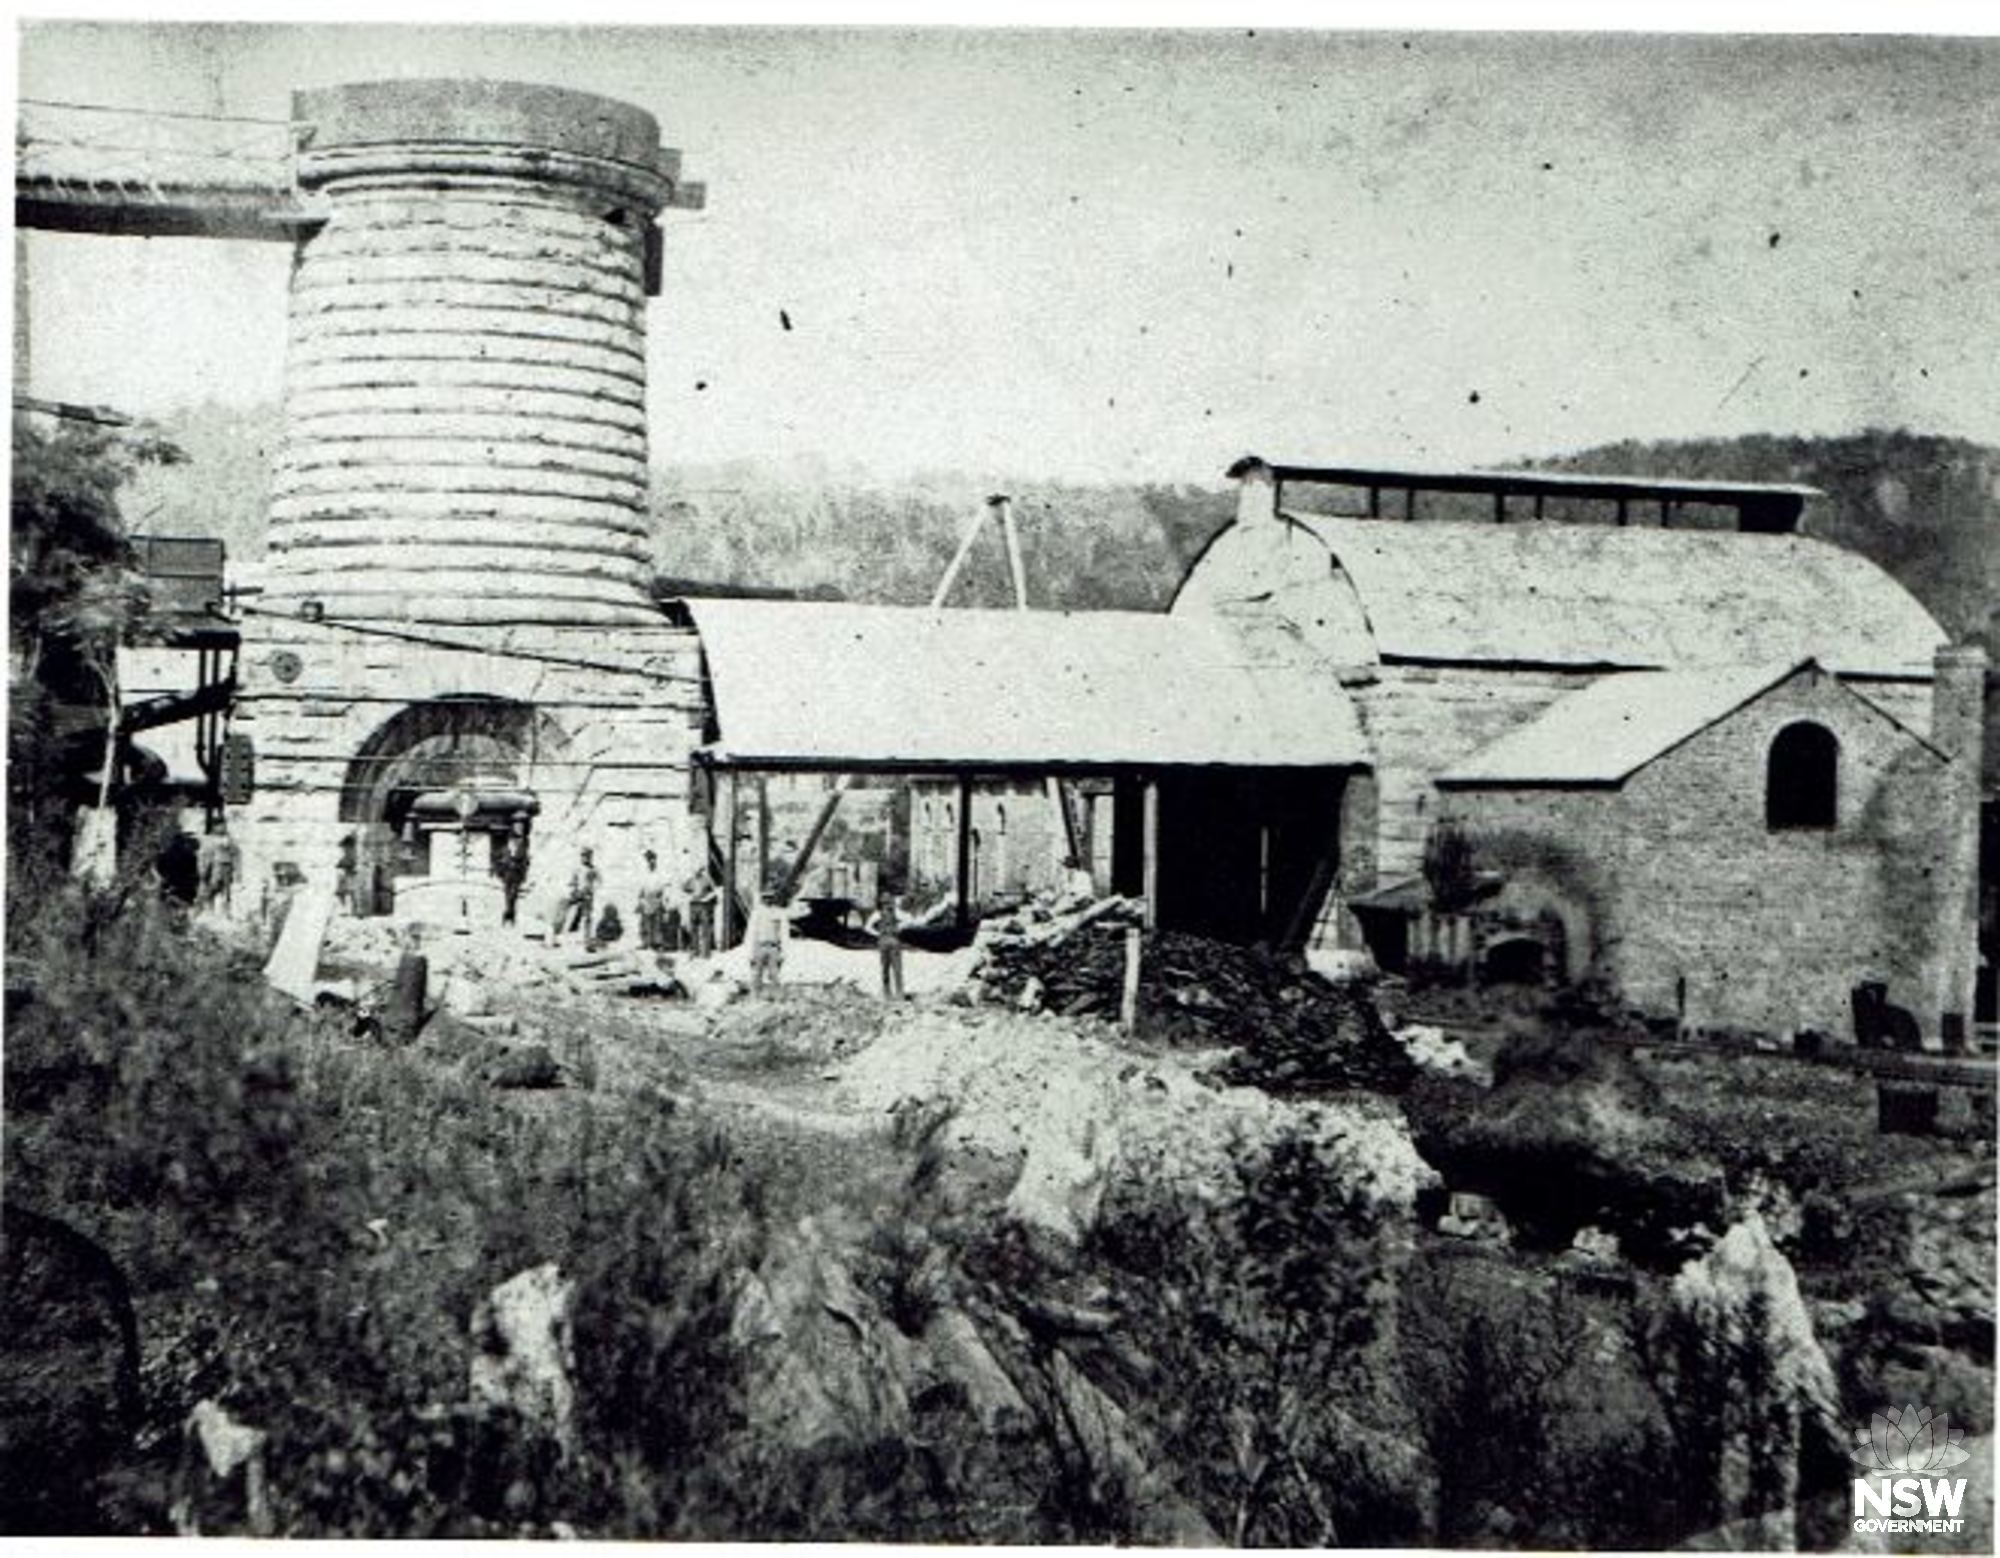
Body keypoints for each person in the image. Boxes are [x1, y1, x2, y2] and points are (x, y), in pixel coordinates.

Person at [556, 846, 598, 944]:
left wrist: (591, 889)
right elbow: (573, 880)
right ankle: (561, 933)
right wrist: (573, 889)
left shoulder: (593, 869)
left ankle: (587, 937)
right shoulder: (577, 868)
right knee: (569, 912)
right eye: (583, 856)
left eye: (587, 856)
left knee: (587, 916)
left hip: (588, 895)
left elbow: (598, 882)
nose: (585, 858)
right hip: (577, 894)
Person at [748, 890, 787, 993]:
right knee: (756, 974)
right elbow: (751, 933)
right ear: (762, 899)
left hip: (774, 947)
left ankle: (776, 997)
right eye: (765, 897)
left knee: (775, 975)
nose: (768, 900)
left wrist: (784, 952)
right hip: (759, 946)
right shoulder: (756, 913)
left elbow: (784, 933)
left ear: (774, 898)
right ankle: (756, 997)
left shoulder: (779, 913)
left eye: (770, 897)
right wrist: (750, 952)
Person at [495, 816, 531, 927]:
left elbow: (525, 860)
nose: (519, 829)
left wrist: (524, 873)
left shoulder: (525, 842)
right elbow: (503, 856)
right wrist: (501, 870)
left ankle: (509, 914)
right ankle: (509, 914)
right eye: (517, 827)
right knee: (508, 893)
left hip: (517, 872)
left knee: (513, 894)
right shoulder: (508, 842)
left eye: (521, 827)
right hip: (508, 872)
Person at [871, 890, 905, 1001]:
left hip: (893, 942)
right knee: (886, 969)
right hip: (885, 941)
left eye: (888, 901)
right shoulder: (877, 914)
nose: (886, 904)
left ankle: (898, 993)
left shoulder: (897, 912)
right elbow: (867, 927)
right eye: (885, 902)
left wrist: (900, 928)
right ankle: (888, 993)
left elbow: (908, 920)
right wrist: (878, 934)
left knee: (897, 969)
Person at [635, 848, 667, 951]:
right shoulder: (644, 873)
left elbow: (663, 886)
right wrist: (640, 899)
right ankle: (645, 942)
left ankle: (657, 943)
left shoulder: (659, 873)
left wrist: (661, 897)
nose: (651, 862)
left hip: (656, 899)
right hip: (646, 900)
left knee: (657, 922)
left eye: (652, 860)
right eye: (649, 860)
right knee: (645, 922)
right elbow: (641, 887)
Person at [686, 862, 717, 958]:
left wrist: (706, 898)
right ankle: (695, 951)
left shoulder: (706, 880)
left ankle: (706, 952)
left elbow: (713, 892)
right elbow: (684, 890)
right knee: (693, 929)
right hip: (693, 905)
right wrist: (689, 897)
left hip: (703, 906)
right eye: (695, 870)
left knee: (705, 929)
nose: (696, 872)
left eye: (698, 870)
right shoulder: (690, 881)